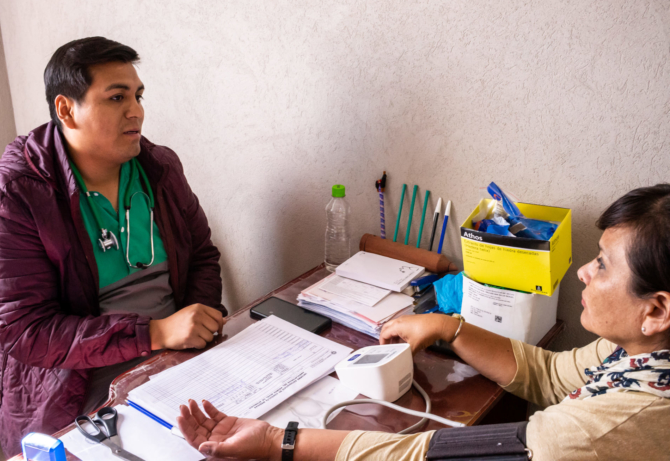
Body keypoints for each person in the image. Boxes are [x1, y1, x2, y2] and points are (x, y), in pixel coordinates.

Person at [176, 185, 670, 461]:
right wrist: (446, 327)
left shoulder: (603, 430)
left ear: (656, 310)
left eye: (603, 264)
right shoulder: (636, 352)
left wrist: (274, 441)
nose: (584, 270)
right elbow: (553, 376)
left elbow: (429, 455)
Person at [0, 37, 227, 457]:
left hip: (172, 359)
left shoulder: (160, 167)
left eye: (138, 95)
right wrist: (155, 332)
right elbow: (27, 331)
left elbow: (201, 255)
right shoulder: (12, 196)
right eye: (116, 97)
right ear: (66, 110)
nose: (136, 110)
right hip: (70, 383)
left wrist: (193, 328)